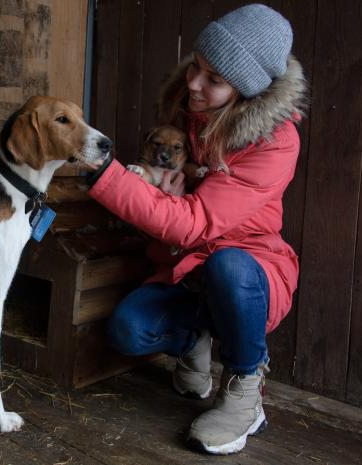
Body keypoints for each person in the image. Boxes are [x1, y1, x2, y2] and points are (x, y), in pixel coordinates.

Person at [85, 3, 307, 455]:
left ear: (245, 92)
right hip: (185, 267)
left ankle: (245, 388)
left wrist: (107, 177)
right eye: (196, 67)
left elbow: (197, 222)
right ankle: (196, 338)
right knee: (128, 330)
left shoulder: (274, 141)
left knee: (228, 266)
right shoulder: (187, 113)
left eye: (213, 79)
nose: (193, 83)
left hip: (249, 268)